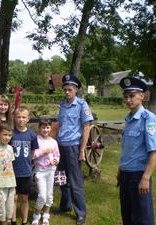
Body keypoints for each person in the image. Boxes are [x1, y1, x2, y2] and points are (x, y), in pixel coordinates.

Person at [117, 77, 156, 225]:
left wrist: (145, 178)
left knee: (142, 218)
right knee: (127, 215)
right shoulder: (129, 119)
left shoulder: (148, 119)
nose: (128, 100)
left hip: (139, 175)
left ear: (142, 96)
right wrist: (120, 169)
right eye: (126, 97)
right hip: (125, 175)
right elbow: (128, 149)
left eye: (132, 96)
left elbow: (154, 151)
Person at [57, 74, 93, 225]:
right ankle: (65, 205)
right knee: (62, 177)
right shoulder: (62, 105)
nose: (67, 92)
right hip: (61, 146)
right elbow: (59, 125)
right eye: (65, 89)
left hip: (73, 146)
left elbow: (86, 128)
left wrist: (82, 150)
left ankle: (80, 213)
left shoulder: (82, 105)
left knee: (76, 181)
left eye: (69, 89)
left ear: (76, 90)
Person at [10, 106, 39, 225]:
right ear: (14, 118)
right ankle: (12, 220)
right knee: (13, 198)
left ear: (28, 119)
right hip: (11, 171)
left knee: (24, 198)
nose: (21, 119)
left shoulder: (32, 135)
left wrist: (29, 161)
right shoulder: (11, 134)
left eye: (23, 117)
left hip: (26, 171)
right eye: (18, 117)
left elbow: (33, 151)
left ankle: (24, 220)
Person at [31, 119, 60, 225]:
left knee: (49, 195)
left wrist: (55, 160)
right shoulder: (36, 140)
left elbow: (57, 155)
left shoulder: (54, 142)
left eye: (47, 127)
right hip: (40, 171)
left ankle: (46, 216)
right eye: (43, 127)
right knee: (42, 195)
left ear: (50, 128)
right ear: (39, 128)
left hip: (51, 170)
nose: (45, 129)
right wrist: (43, 152)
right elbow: (32, 156)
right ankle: (36, 215)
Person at [0, 122, 16, 225]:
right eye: (4, 134)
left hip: (11, 184)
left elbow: (11, 167)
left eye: (9, 135)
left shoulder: (10, 148)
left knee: (8, 215)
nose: (7, 137)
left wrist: (15, 187)